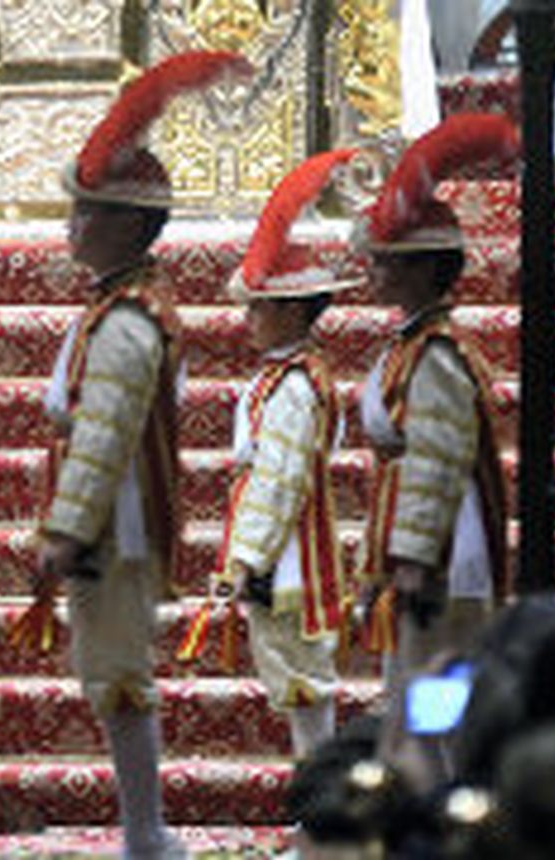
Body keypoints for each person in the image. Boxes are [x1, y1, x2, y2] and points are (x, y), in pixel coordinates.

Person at [30, 51, 248, 860]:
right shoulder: (116, 307)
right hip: (110, 526)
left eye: (85, 213)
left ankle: (147, 833)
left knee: (121, 679)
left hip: (114, 528)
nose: (71, 226)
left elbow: (104, 435)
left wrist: (66, 529)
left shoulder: (127, 319)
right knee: (112, 678)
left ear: (126, 224)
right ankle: (141, 830)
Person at [356, 114, 518, 766]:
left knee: (436, 689)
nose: (373, 275)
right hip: (423, 539)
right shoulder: (416, 346)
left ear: (424, 272)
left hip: (446, 547)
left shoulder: (437, 355)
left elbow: (437, 460)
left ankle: (447, 804)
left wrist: (415, 556)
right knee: (417, 687)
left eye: (388, 264)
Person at [209, 150, 362, 761]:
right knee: (299, 690)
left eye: (261, 306)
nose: (250, 319)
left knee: (304, 689)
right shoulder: (289, 378)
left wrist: (246, 558)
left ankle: (317, 826)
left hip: (290, 556)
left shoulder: (295, 386)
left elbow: (279, 479)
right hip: (286, 551)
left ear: (294, 310)